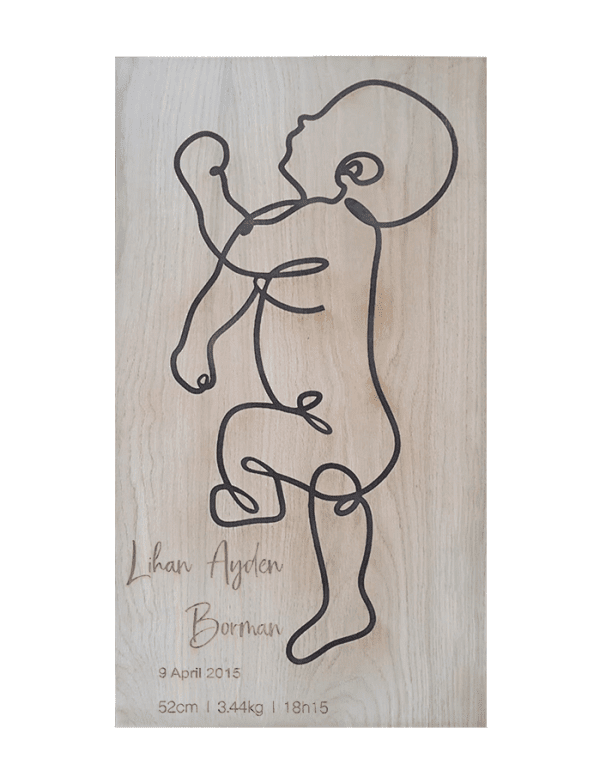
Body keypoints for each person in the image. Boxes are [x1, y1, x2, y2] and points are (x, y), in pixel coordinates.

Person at [171, 80, 458, 664]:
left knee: (322, 480)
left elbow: (239, 253)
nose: (302, 117)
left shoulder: (338, 225)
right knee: (252, 440)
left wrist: (206, 188)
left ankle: (338, 594)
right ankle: (266, 509)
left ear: (354, 169)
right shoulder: (290, 222)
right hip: (323, 422)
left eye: (320, 117)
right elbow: (234, 283)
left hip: (350, 429)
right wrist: (197, 342)